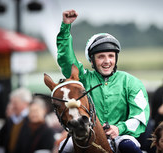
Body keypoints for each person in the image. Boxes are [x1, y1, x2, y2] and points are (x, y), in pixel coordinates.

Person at [56, 10, 150, 153]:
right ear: (92, 60)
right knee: (65, 147)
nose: (107, 61)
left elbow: (140, 116)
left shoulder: (132, 82)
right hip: (88, 136)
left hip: (121, 136)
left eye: (111, 56)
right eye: (101, 57)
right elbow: (66, 60)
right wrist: (65, 27)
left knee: (128, 147)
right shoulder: (83, 79)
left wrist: (119, 128)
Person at [0, 87, 32, 153]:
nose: (12, 106)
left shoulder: (31, 120)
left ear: (25, 103)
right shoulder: (11, 120)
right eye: (11, 103)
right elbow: (0, 140)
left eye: (15, 103)